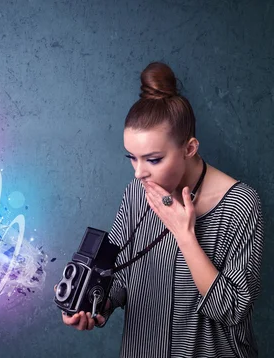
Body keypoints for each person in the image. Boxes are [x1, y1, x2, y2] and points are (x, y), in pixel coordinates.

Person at [60, 62, 264, 358]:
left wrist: (185, 236)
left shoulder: (240, 204)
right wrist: (94, 305)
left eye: (153, 159)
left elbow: (233, 309)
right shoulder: (137, 192)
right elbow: (119, 278)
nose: (139, 173)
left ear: (190, 148)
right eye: (132, 158)